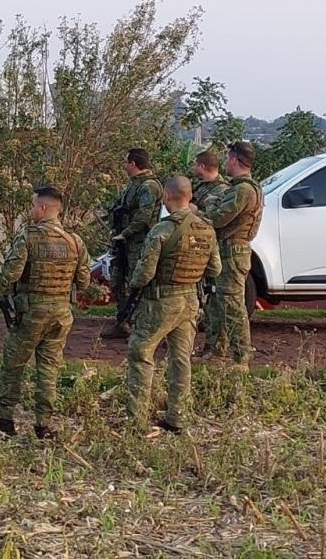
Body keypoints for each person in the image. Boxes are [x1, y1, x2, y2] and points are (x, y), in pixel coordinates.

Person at [0, 186, 90, 440]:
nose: (31, 210)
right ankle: (43, 425)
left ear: (43, 208)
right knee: (48, 368)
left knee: (13, 365)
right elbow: (84, 281)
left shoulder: (28, 237)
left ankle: (5, 420)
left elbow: (10, 275)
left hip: (31, 313)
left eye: (33, 205)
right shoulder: (74, 241)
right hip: (61, 313)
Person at [125, 176, 220, 434]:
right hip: (190, 301)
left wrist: (132, 287)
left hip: (162, 301)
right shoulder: (206, 229)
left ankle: (136, 420)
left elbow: (144, 274)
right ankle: (177, 417)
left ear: (167, 197)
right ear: (189, 196)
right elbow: (216, 268)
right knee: (181, 359)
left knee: (141, 351)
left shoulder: (162, 230)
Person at [193, 142, 264, 370]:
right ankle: (216, 350)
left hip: (233, 252)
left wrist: (198, 212)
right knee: (216, 302)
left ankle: (240, 357)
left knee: (232, 305)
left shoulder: (243, 190)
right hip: (225, 251)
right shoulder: (241, 187)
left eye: (227, 159)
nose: (225, 163)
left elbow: (219, 218)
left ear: (234, 160)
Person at [103, 149, 164, 339]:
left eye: (125, 162)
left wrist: (125, 233)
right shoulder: (133, 185)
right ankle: (123, 321)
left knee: (136, 284)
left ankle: (139, 326)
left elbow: (144, 216)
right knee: (116, 281)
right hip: (125, 243)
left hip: (138, 242)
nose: (124, 166)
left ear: (132, 163)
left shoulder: (149, 186)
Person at [190, 150, 229, 355]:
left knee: (215, 301)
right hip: (197, 248)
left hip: (213, 248)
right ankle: (209, 344)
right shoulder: (200, 188)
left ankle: (217, 346)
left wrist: (197, 212)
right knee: (204, 300)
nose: (194, 168)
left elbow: (218, 221)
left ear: (203, 166)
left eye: (196, 165)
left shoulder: (223, 190)